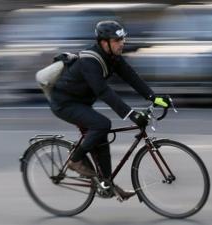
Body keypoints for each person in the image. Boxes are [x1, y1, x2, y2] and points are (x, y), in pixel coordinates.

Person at [50, 20, 170, 200]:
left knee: (101, 136)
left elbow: (132, 77)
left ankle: (107, 184)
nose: (121, 43)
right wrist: (131, 114)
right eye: (116, 40)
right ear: (103, 42)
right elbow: (103, 92)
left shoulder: (113, 57)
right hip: (64, 103)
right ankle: (75, 160)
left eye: (122, 39)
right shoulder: (89, 61)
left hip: (81, 103)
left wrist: (153, 97)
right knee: (102, 124)